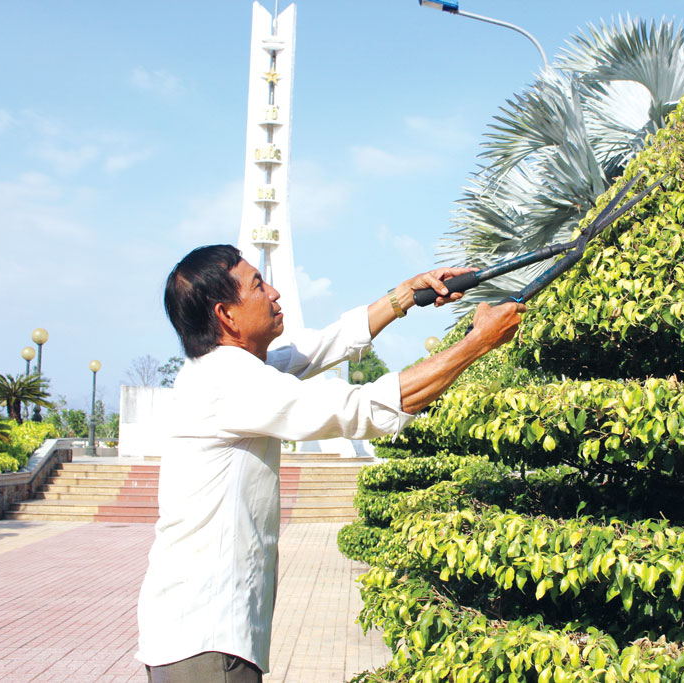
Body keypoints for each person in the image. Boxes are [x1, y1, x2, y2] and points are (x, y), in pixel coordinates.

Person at [136, 244, 524, 682]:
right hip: (204, 642)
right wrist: (478, 343)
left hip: (192, 632)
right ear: (226, 315)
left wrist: (403, 297)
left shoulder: (223, 369)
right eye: (259, 286)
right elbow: (362, 409)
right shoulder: (229, 381)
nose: (276, 293)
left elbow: (320, 347)